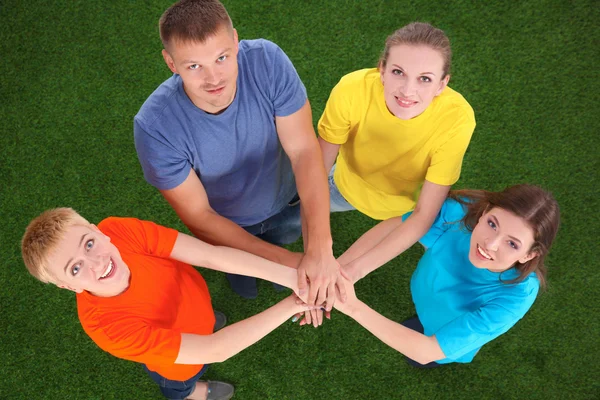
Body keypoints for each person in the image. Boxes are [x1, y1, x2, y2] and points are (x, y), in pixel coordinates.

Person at [134, 0, 343, 314]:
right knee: (242, 274)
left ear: (235, 41)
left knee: (284, 236)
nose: (213, 77)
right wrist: (297, 267)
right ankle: (246, 276)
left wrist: (319, 249)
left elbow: (303, 151)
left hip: (287, 199)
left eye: (221, 58)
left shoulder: (267, 61)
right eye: (194, 66)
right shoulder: (155, 128)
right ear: (171, 63)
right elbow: (201, 216)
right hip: (226, 225)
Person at [21, 208, 318, 399]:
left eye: (88, 243)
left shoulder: (119, 230)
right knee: (183, 383)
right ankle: (193, 395)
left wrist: (293, 278)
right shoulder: (106, 328)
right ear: (68, 286)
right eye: (75, 268)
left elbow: (209, 255)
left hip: (196, 305)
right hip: (178, 366)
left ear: (99, 231)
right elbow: (216, 349)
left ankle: (208, 322)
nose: (97, 262)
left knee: (209, 320)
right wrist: (295, 303)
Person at [329, 184, 560, 366]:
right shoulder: (458, 213)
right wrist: (340, 271)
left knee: (416, 355)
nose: (490, 244)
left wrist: (351, 306)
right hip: (425, 289)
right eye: (492, 223)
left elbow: (425, 351)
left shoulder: (518, 295)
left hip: (441, 332)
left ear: (529, 255)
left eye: (512, 243)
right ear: (485, 212)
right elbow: (397, 227)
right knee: (417, 320)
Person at [318, 22, 476, 259]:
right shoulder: (351, 89)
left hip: (405, 210)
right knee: (289, 217)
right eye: (398, 72)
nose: (407, 91)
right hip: (345, 185)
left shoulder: (458, 119)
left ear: (442, 85)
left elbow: (424, 214)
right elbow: (317, 169)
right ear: (381, 70)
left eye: (424, 79)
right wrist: (319, 249)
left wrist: (345, 272)